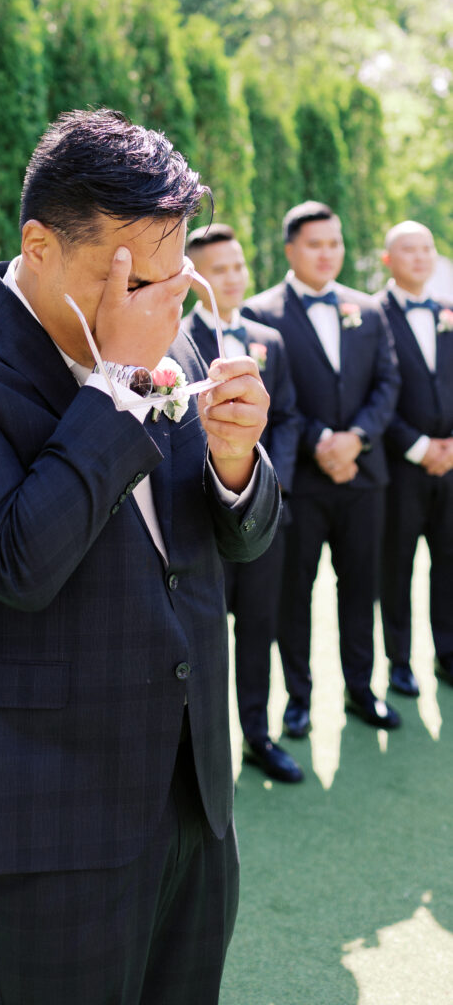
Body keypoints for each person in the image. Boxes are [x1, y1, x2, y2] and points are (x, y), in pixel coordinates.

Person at [0, 110, 280, 1005]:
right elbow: (18, 561)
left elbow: (234, 541)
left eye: (171, 281)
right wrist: (119, 385)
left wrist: (240, 466)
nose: (155, 305)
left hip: (193, 793)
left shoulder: (175, 329)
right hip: (43, 816)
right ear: (40, 244)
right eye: (124, 279)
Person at [241, 201, 401, 737]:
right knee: (295, 595)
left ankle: (362, 689)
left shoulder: (369, 310)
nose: (327, 253)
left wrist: (354, 439)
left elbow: (387, 383)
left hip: (363, 479)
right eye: (315, 244)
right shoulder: (261, 314)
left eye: (334, 242)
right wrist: (320, 443)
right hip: (301, 485)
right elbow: (273, 398)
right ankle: (298, 699)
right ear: (291, 249)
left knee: (361, 588)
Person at [184, 224, 302, 783]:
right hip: (198, 526)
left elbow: (288, 419)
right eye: (220, 268)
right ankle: (202, 755)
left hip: (261, 517)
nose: (234, 277)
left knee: (259, 628)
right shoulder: (173, 342)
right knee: (200, 643)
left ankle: (258, 735)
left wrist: (269, 490)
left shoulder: (268, 339)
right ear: (194, 276)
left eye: (239, 265)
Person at [377, 220, 453, 695]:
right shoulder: (369, 315)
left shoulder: (449, 310)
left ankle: (447, 652)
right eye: (409, 250)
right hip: (399, 466)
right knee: (397, 564)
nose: (420, 257)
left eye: (426, 249)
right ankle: (399, 661)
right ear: (389, 259)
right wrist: (420, 447)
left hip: (452, 466)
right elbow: (375, 392)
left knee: (449, 560)